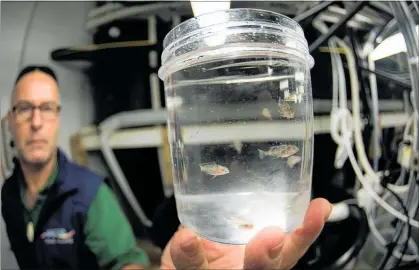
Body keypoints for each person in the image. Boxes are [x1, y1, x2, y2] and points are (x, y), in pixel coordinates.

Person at [1, 65, 149, 269]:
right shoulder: (9, 194)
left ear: (57, 118)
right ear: (10, 121)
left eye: (46, 108)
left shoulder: (90, 194)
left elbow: (128, 261)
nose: (36, 122)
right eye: (25, 108)